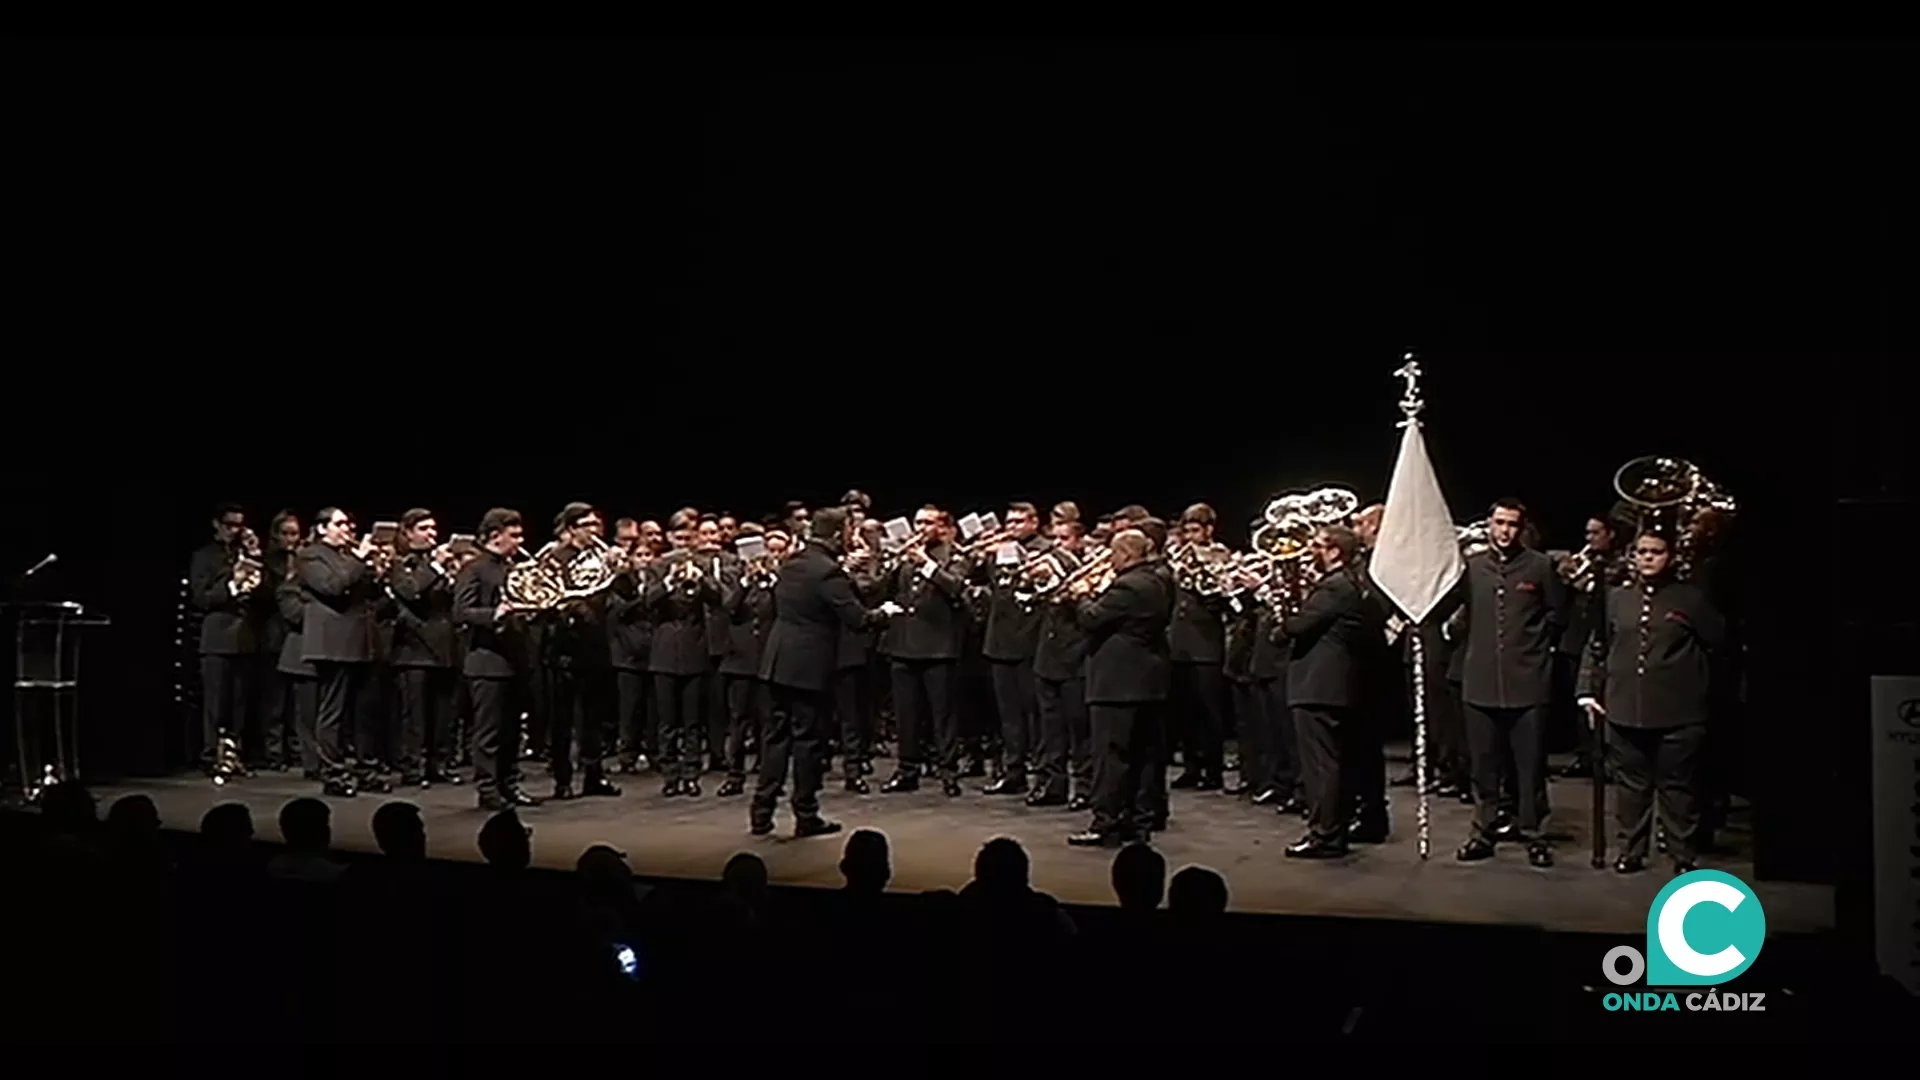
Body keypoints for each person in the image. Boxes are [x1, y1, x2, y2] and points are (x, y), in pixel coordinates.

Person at [1578, 529, 1725, 874]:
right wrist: (1587, 691)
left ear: (1669, 557)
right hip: (1625, 707)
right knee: (1631, 788)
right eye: (1641, 551)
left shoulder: (1691, 600)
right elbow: (1596, 645)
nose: (1647, 557)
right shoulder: (1616, 598)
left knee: (1677, 788)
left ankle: (1682, 855)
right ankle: (1631, 850)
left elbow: (1718, 642)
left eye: (1656, 551)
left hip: (1679, 712)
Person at [750, 506, 898, 837]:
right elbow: (857, 619)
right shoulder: (829, 573)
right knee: (807, 741)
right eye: (847, 531)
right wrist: (885, 612)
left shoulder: (792, 564)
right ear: (836, 534)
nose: (851, 537)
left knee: (774, 739)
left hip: (775, 661)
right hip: (807, 667)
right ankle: (806, 814)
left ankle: (761, 813)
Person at [1446, 499, 1565, 868]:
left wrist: (1536, 650)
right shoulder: (1473, 567)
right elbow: (1452, 606)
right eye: (1499, 523)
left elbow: (1557, 614)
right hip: (1480, 680)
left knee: (1528, 766)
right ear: (1489, 524)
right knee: (1483, 766)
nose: (1505, 531)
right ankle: (1483, 832)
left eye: (1512, 524)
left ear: (1521, 527)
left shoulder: (1540, 566)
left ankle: (1534, 833)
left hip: (1527, 682)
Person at [1280, 524, 1383, 859]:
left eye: (1317, 546)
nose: (1310, 551)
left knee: (1321, 765)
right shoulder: (1349, 584)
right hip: (1334, 685)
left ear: (1335, 551)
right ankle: (1331, 829)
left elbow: (1296, 626)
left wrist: (1282, 613)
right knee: (1333, 762)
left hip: (1320, 686)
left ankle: (1325, 834)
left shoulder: (1334, 587)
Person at [1067, 529, 1175, 847]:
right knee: (1144, 756)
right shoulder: (1159, 580)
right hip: (1149, 681)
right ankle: (1139, 824)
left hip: (1118, 684)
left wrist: (1082, 594)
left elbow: (1091, 619)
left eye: (1113, 554)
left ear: (1126, 555)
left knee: (1111, 756)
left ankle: (1107, 823)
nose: (1109, 560)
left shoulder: (1127, 585)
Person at [298, 507, 389, 797]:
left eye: (348, 523)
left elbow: (370, 597)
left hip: (362, 642)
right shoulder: (311, 555)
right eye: (339, 524)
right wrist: (360, 560)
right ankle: (333, 773)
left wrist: (378, 572)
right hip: (333, 644)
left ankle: (366, 769)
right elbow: (332, 587)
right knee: (333, 711)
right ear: (322, 528)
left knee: (365, 711)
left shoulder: (350, 557)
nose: (347, 529)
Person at [454, 508, 540, 810]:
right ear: (494, 536)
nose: (520, 540)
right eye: (513, 535)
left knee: (511, 731)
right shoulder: (474, 568)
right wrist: (495, 614)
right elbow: (461, 612)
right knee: (488, 732)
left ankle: (509, 784)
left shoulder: (515, 567)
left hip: (515, 659)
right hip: (486, 661)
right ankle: (488, 790)